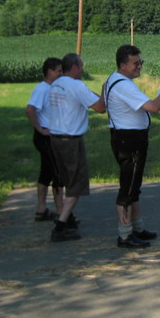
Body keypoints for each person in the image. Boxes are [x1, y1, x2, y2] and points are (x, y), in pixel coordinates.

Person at [105, 45, 160, 248]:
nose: (140, 66)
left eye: (140, 62)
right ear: (123, 65)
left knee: (134, 185)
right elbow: (154, 107)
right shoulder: (124, 86)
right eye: (135, 63)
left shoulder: (115, 80)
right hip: (129, 140)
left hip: (127, 137)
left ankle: (137, 227)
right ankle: (125, 234)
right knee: (128, 187)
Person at [46, 53, 106, 242]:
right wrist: (104, 91)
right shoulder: (77, 86)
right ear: (73, 67)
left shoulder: (56, 84)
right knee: (76, 184)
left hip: (55, 138)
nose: (82, 70)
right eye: (81, 67)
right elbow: (100, 108)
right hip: (71, 140)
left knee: (66, 178)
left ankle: (68, 217)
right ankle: (60, 226)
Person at [26, 57, 64, 222]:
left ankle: (41, 209)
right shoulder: (42, 89)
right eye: (59, 71)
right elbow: (30, 109)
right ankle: (62, 212)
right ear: (49, 71)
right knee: (58, 173)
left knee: (46, 173)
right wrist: (40, 129)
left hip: (48, 136)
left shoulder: (52, 88)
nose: (61, 74)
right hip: (46, 138)